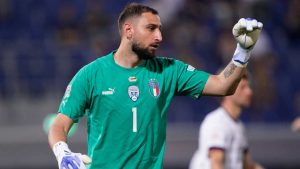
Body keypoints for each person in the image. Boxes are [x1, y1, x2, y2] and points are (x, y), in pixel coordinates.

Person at [48, 2, 263, 169]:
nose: (159, 36)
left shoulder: (168, 70)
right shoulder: (91, 75)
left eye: (160, 29)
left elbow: (222, 85)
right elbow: (59, 125)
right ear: (128, 30)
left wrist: (242, 53)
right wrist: (62, 151)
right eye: (151, 28)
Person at [189, 72, 264, 169]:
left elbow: (248, 166)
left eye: (248, 87)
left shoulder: (239, 126)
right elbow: (216, 164)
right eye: (243, 87)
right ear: (228, 89)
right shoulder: (217, 122)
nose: (249, 92)